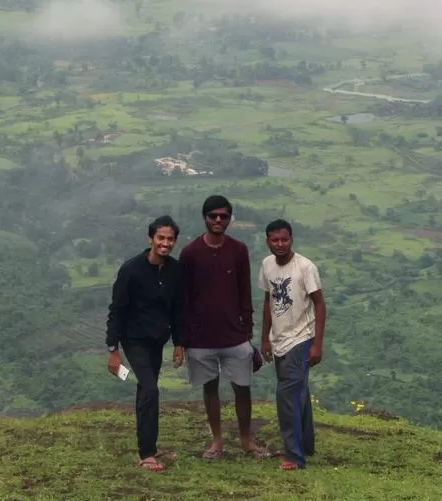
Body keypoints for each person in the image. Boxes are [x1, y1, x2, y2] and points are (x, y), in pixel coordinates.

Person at [180, 195, 267, 459]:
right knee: (210, 388)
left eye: (224, 216)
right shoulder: (190, 253)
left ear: (230, 218)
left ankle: (245, 440)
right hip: (201, 337)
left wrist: (247, 331)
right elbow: (183, 297)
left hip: (235, 335)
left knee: (243, 387)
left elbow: (245, 291)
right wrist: (183, 337)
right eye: (213, 215)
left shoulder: (238, 250)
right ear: (204, 218)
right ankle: (216, 441)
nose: (218, 220)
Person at [106, 215, 186, 472]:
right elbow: (117, 309)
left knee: (145, 390)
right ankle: (147, 454)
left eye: (170, 239)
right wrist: (113, 350)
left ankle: (146, 446)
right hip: (134, 339)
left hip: (157, 339)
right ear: (150, 238)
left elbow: (178, 309)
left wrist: (178, 343)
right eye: (161, 238)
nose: (165, 243)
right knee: (151, 390)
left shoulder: (175, 270)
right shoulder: (131, 270)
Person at [258, 219, 326, 471]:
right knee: (298, 395)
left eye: (284, 239)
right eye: (274, 240)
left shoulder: (305, 267)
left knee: (286, 396)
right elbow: (268, 301)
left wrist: (317, 344)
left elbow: (319, 304)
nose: (279, 244)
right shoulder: (267, 265)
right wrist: (265, 337)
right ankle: (305, 445)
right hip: (280, 339)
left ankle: (295, 456)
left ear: (292, 239)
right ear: (267, 241)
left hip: (301, 338)